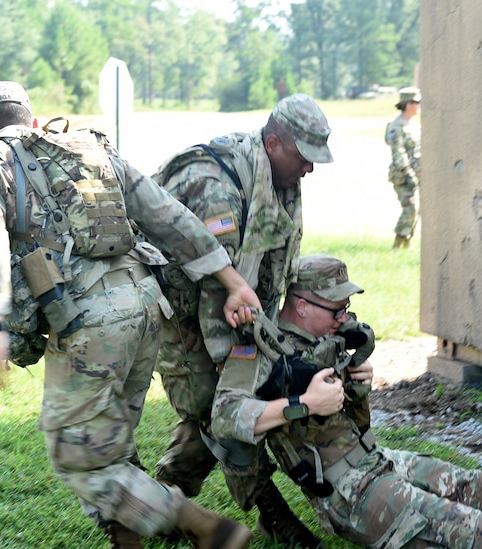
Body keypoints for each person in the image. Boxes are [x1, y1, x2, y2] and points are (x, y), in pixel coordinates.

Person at [0, 81, 259, 549]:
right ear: (32, 121)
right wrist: (232, 281)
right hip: (147, 307)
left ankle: (199, 524)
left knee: (79, 458)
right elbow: (165, 214)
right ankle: (127, 539)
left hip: (88, 323)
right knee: (111, 441)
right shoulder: (87, 148)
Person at [210, 253, 482, 549]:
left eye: (347, 309)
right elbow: (225, 417)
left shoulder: (326, 338)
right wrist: (304, 403)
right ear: (302, 305)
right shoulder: (263, 352)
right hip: (348, 496)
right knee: (477, 532)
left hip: (378, 461)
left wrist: (356, 383)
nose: (344, 319)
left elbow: (357, 429)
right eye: (336, 310)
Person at [148, 93, 333, 547]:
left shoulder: (278, 178)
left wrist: (276, 338)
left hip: (224, 304)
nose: (309, 168)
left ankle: (163, 497)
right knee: (221, 404)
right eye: (303, 157)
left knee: (219, 407)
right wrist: (236, 368)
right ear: (274, 143)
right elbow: (217, 285)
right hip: (176, 308)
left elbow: (272, 264)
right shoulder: (216, 186)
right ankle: (270, 512)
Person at [385, 86, 422, 250]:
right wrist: (409, 174)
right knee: (410, 208)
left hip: (418, 173)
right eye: (417, 102)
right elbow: (398, 152)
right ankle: (397, 245)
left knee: (417, 209)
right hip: (403, 175)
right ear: (408, 104)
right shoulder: (396, 126)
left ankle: (407, 243)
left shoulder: (413, 125)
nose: (419, 106)